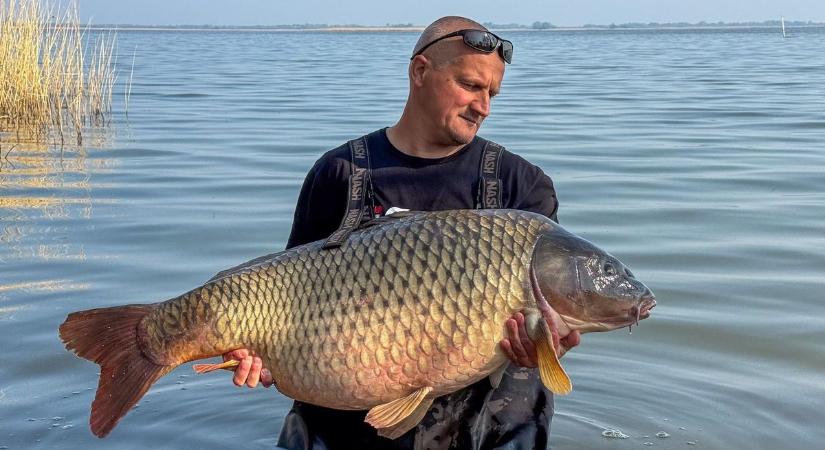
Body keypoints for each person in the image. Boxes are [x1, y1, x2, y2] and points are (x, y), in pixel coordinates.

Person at [223, 16, 581, 450]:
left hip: (488, 429)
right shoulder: (339, 173)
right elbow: (284, 298)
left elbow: (552, 316)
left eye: (492, 93)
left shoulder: (520, 186)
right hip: (346, 427)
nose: (483, 106)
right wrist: (256, 351)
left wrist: (549, 345)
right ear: (419, 72)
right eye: (470, 85)